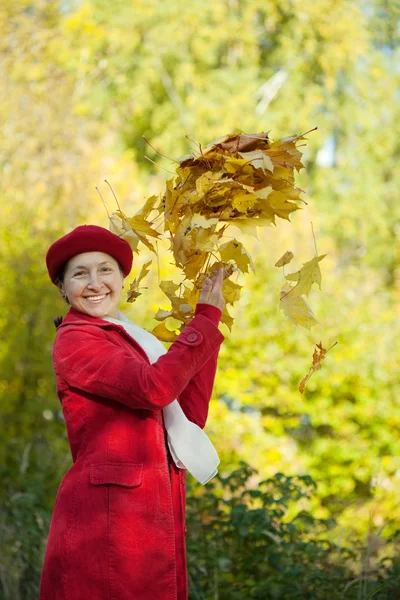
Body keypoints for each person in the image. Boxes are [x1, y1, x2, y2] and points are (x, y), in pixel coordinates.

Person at [39, 224, 225, 600]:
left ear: (122, 278)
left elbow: (189, 415)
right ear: (63, 288)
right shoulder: (76, 340)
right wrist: (202, 325)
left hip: (149, 511)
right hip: (108, 521)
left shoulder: (135, 339)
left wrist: (210, 318)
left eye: (105, 270)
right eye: (80, 273)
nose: (95, 283)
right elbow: (153, 388)